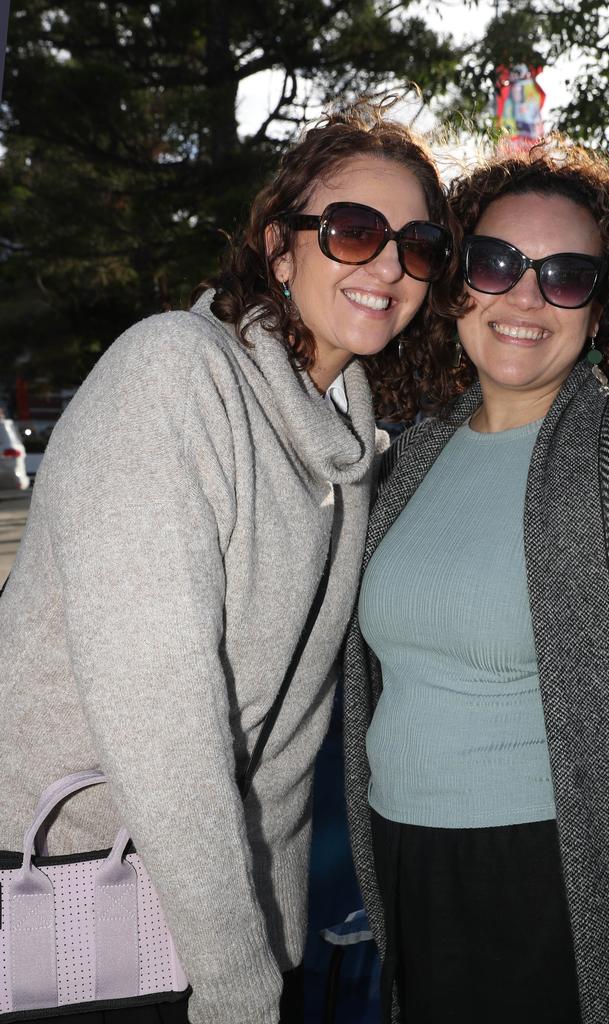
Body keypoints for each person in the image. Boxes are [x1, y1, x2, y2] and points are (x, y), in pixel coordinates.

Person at [0, 102, 459, 1024]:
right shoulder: (173, 373)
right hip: (76, 892)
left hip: (220, 927)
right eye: (353, 230)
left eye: (418, 244)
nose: (386, 265)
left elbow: (287, 745)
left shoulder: (344, 441)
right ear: (279, 247)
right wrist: (238, 980)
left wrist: (271, 943)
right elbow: (159, 716)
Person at [343, 137, 609, 1024]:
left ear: (603, 307)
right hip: (405, 870)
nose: (525, 297)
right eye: (496, 263)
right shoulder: (412, 455)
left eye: (565, 275)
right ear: (455, 281)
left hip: (557, 886)